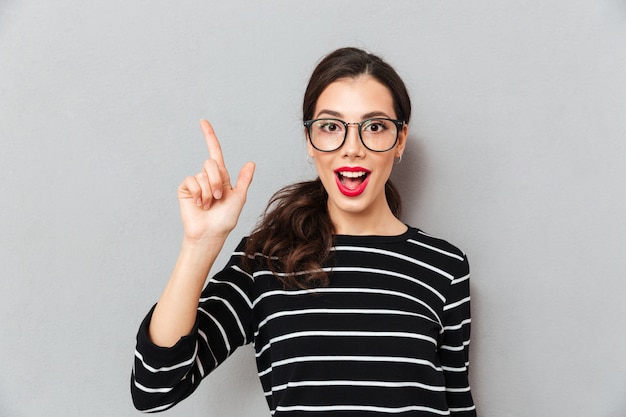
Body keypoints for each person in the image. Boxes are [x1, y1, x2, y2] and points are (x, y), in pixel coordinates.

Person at [131, 47, 476, 416]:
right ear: (310, 141)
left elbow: (459, 404)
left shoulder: (445, 266)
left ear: (400, 139)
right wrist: (201, 244)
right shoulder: (267, 259)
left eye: (374, 127)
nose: (352, 149)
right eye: (331, 127)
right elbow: (155, 386)